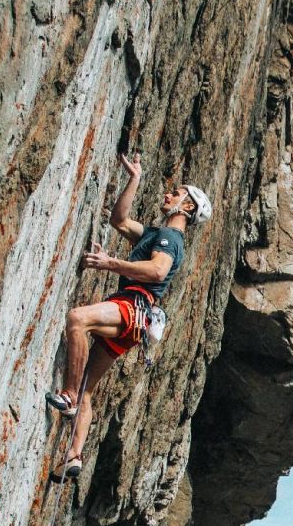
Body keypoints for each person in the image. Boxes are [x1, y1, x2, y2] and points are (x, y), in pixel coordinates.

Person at [46, 152, 212, 479]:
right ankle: (74, 455)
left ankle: (67, 396)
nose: (168, 195)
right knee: (88, 387)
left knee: (78, 319)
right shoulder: (155, 234)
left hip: (133, 306)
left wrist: (110, 263)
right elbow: (119, 221)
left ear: (188, 206)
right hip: (136, 323)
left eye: (176, 193)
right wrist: (134, 179)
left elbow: (156, 270)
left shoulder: (170, 238)